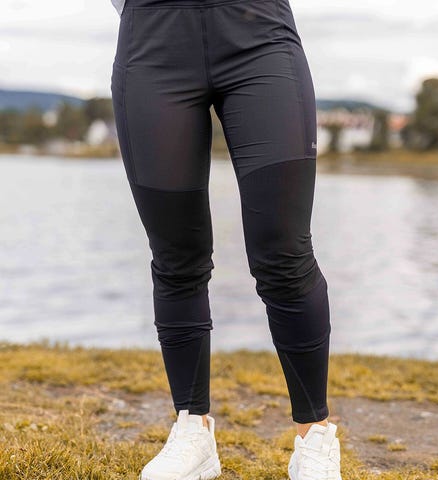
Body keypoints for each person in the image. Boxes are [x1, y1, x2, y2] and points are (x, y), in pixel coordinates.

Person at [109, 0, 342, 478]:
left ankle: (314, 439)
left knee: (284, 252)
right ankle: (193, 430)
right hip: (153, 39)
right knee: (176, 254)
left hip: (258, 35)